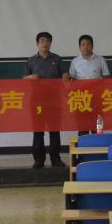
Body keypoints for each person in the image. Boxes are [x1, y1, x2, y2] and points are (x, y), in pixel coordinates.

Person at [24, 31, 68, 169]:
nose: (45, 43)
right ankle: (39, 159)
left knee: (54, 130)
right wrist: (30, 77)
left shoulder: (57, 59)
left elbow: (64, 74)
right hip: (36, 100)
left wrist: (65, 76)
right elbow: (23, 79)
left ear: (50, 43)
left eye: (48, 41)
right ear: (37, 43)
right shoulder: (31, 60)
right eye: (42, 41)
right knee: (38, 130)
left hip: (54, 100)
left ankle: (55, 159)